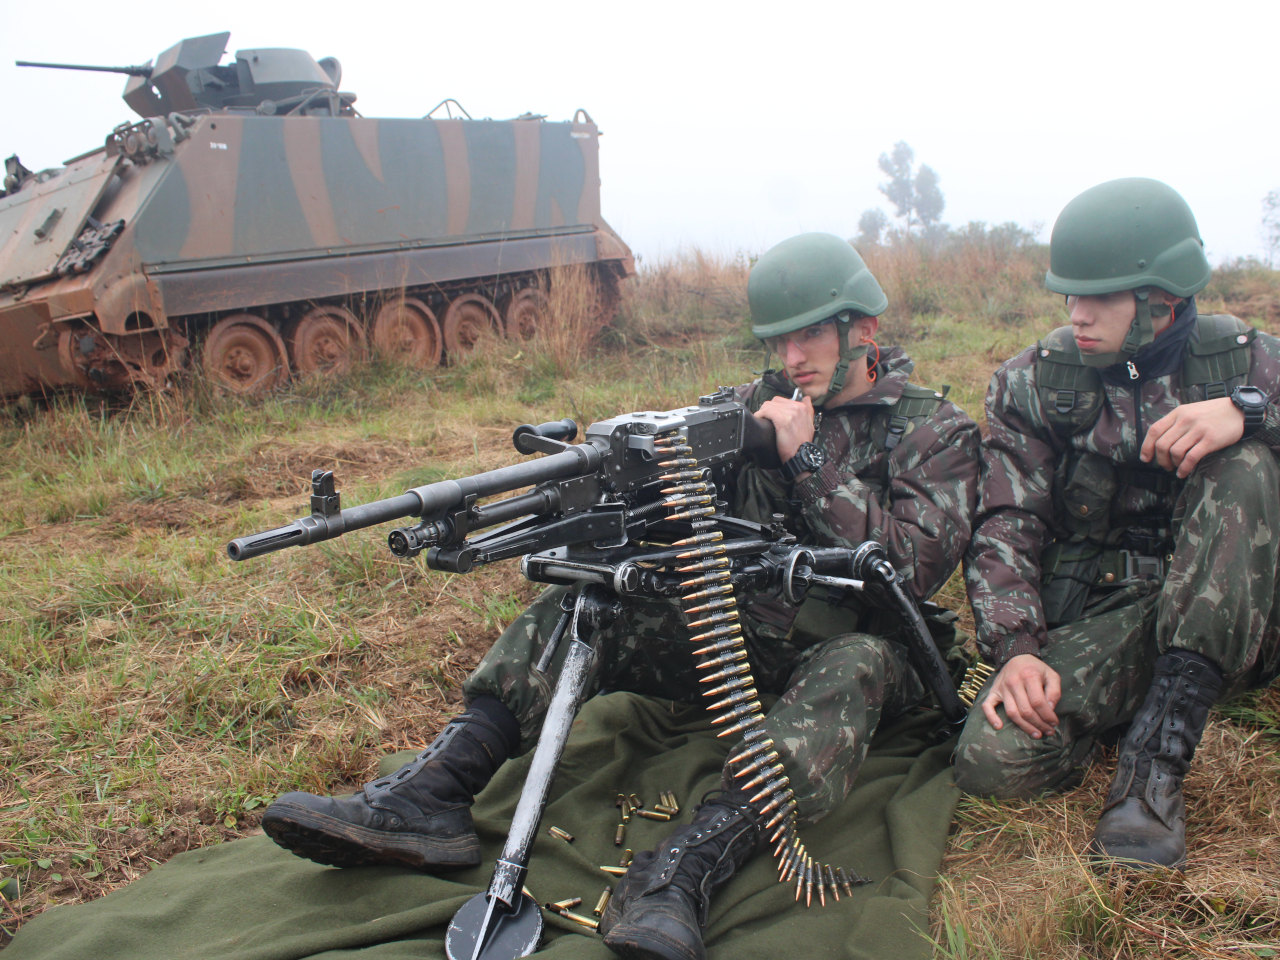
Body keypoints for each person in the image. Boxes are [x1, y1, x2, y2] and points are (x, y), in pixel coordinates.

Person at [261, 232, 979, 960]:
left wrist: (810, 460)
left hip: (853, 656)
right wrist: (633, 480)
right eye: (781, 340)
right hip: (738, 636)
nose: (794, 359)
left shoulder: (934, 430)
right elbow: (680, 510)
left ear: (864, 329)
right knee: (579, 607)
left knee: (855, 659)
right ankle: (435, 792)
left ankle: (685, 867)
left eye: (813, 336)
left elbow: (910, 570)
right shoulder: (750, 408)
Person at [955, 178, 1280, 870]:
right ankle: (1147, 687)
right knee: (994, 761)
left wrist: (1247, 412)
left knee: (1244, 464)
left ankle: (1152, 771)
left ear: (1163, 300)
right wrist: (1016, 648)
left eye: (1100, 295)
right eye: (1070, 294)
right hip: (1108, 608)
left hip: (1240, 606)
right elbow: (1006, 521)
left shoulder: (1244, 361)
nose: (1078, 314)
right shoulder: (1036, 382)